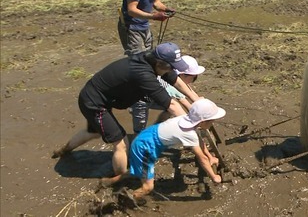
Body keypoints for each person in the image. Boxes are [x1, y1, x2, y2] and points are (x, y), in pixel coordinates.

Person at [51, 42, 198, 180]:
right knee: (121, 143)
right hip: (93, 102)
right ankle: (120, 179)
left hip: (100, 94)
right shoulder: (143, 74)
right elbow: (171, 105)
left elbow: (176, 80)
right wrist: (190, 123)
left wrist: (196, 99)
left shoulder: (154, 61)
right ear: (160, 63)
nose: (173, 70)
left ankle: (64, 151)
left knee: (93, 132)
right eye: (172, 67)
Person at [100, 98, 226, 200]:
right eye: (212, 121)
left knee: (137, 170)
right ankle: (122, 202)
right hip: (145, 148)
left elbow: (199, 142)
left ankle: (107, 182)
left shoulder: (184, 119)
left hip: (145, 138)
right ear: (203, 121)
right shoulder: (189, 133)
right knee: (148, 187)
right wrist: (214, 176)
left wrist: (211, 157)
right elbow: (201, 158)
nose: (213, 123)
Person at [139, 55, 207, 129]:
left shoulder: (176, 78)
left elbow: (189, 90)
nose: (195, 79)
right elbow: (187, 105)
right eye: (194, 77)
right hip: (143, 100)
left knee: (168, 109)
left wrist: (198, 99)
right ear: (183, 75)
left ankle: (158, 126)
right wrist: (198, 119)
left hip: (152, 96)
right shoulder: (172, 87)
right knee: (174, 107)